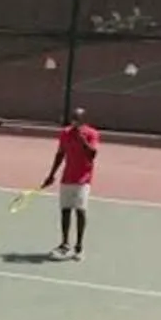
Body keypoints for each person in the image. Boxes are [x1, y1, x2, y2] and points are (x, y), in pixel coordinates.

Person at [39, 107, 101, 261]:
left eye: (77, 118)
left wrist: (82, 140)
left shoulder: (92, 134)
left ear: (83, 120)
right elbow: (60, 154)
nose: (74, 121)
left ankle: (79, 247)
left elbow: (92, 155)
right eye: (73, 118)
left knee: (80, 211)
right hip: (67, 178)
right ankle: (65, 244)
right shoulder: (65, 133)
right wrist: (51, 175)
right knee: (65, 211)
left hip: (83, 180)